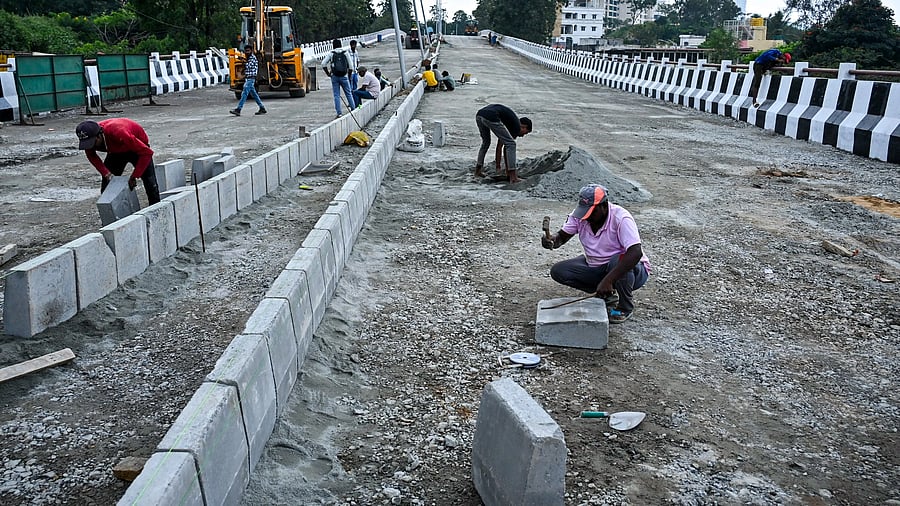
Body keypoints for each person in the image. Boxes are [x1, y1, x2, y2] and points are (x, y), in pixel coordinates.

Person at [541, 184, 651, 324]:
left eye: (591, 212)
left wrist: (608, 280)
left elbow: (635, 253)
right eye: (584, 212)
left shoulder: (621, 218)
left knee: (618, 260)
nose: (587, 217)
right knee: (559, 271)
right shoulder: (580, 216)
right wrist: (552, 240)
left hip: (632, 271)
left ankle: (624, 306)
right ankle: (607, 295)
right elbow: (562, 236)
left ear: (604, 206)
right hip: (598, 266)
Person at [76, 118, 161, 205]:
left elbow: (146, 153)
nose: (91, 146)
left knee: (150, 182)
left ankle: (156, 209)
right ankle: (111, 213)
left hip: (137, 148)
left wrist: (134, 176)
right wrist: (106, 173)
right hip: (115, 150)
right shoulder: (89, 138)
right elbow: (91, 156)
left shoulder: (118, 132)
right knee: (107, 185)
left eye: (93, 143)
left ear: (99, 135)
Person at [474, 104, 532, 183]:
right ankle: (513, 177)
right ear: (524, 127)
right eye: (525, 133)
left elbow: (502, 147)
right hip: (491, 115)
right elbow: (506, 147)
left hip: (480, 114)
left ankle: (478, 171)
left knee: (486, 143)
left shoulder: (509, 122)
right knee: (512, 144)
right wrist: (504, 170)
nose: (522, 136)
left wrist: (499, 168)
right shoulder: (516, 126)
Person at [321, 39, 356, 117]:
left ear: (333, 45)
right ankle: (353, 109)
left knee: (336, 95)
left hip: (335, 76)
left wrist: (328, 73)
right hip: (344, 76)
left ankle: (339, 113)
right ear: (341, 45)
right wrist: (349, 76)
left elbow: (323, 64)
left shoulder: (331, 54)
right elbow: (351, 67)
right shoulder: (346, 53)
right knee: (348, 93)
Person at [229, 45, 267, 117]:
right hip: (249, 78)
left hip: (251, 78)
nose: (247, 52)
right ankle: (262, 108)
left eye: (248, 51)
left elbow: (247, 66)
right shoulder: (249, 58)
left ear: (251, 51)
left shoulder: (252, 58)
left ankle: (238, 109)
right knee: (254, 95)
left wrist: (243, 61)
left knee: (244, 93)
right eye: (246, 51)